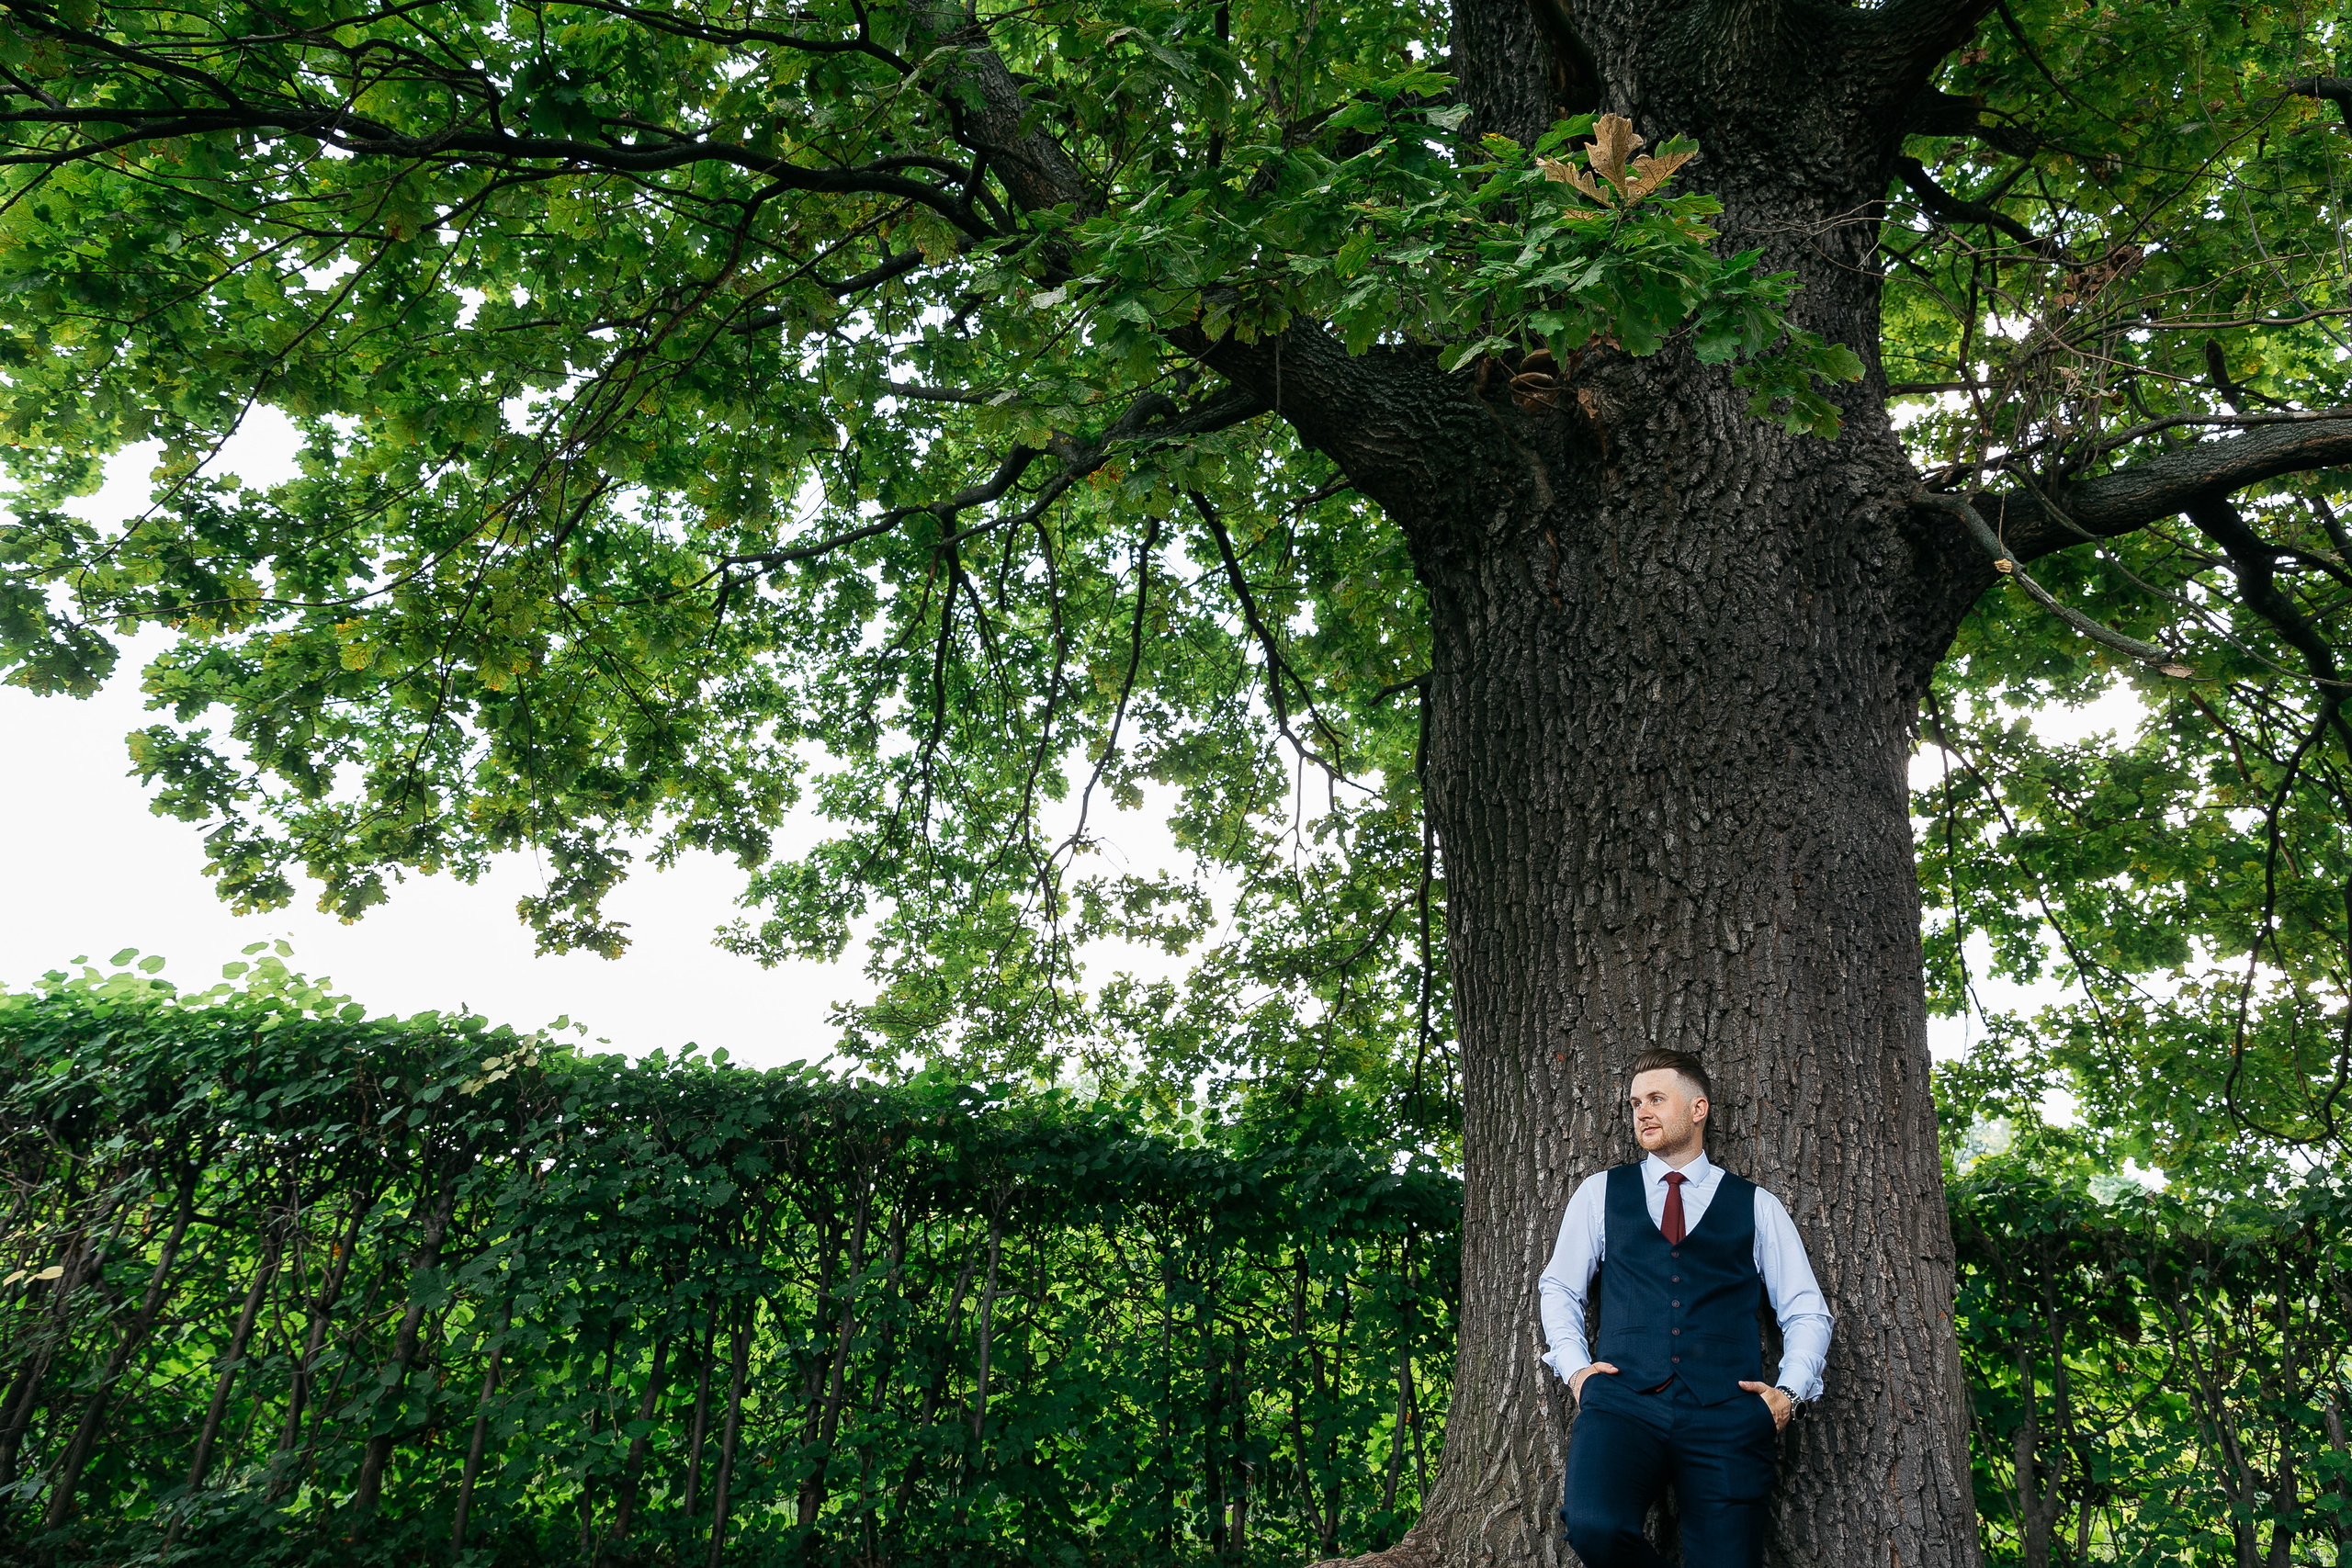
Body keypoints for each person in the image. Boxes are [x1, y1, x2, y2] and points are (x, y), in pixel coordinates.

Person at [1538, 1048, 1833, 1568]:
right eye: (1635, 1103)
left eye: (1656, 1099)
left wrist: (1789, 1394)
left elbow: (1806, 1310)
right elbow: (1560, 1287)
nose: (1642, 1112)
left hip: (1729, 1413)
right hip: (1623, 1402)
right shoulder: (1600, 1193)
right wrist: (1577, 1372)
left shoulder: (1756, 1205)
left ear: (1699, 1109)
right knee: (1593, 1526)